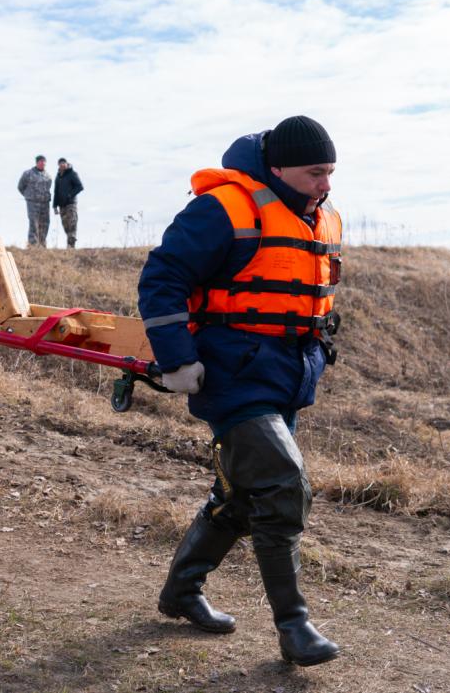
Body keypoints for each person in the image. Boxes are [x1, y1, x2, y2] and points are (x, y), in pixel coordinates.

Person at [137, 116, 342, 667]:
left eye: (330, 173)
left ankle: (181, 592)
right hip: (230, 374)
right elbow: (162, 276)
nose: (326, 184)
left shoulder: (317, 216)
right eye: (315, 173)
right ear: (276, 169)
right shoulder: (222, 208)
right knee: (281, 486)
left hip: (285, 375)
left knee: (243, 494)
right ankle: (294, 629)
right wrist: (177, 360)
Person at [17, 155, 52, 247]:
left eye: (44, 162)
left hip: (45, 203)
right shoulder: (28, 173)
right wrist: (29, 196)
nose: (43, 163)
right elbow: (20, 186)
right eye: (41, 161)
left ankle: (42, 243)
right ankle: (33, 244)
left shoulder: (48, 176)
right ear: (37, 162)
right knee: (34, 223)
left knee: (45, 223)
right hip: (33, 203)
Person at [52, 157, 83, 248]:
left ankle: (71, 246)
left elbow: (80, 187)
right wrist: (54, 206)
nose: (62, 165)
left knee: (72, 224)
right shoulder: (58, 177)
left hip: (71, 204)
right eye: (60, 163)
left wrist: (70, 195)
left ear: (66, 164)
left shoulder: (72, 174)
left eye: (64, 163)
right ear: (59, 165)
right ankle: (70, 244)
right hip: (62, 206)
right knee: (66, 226)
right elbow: (56, 192)